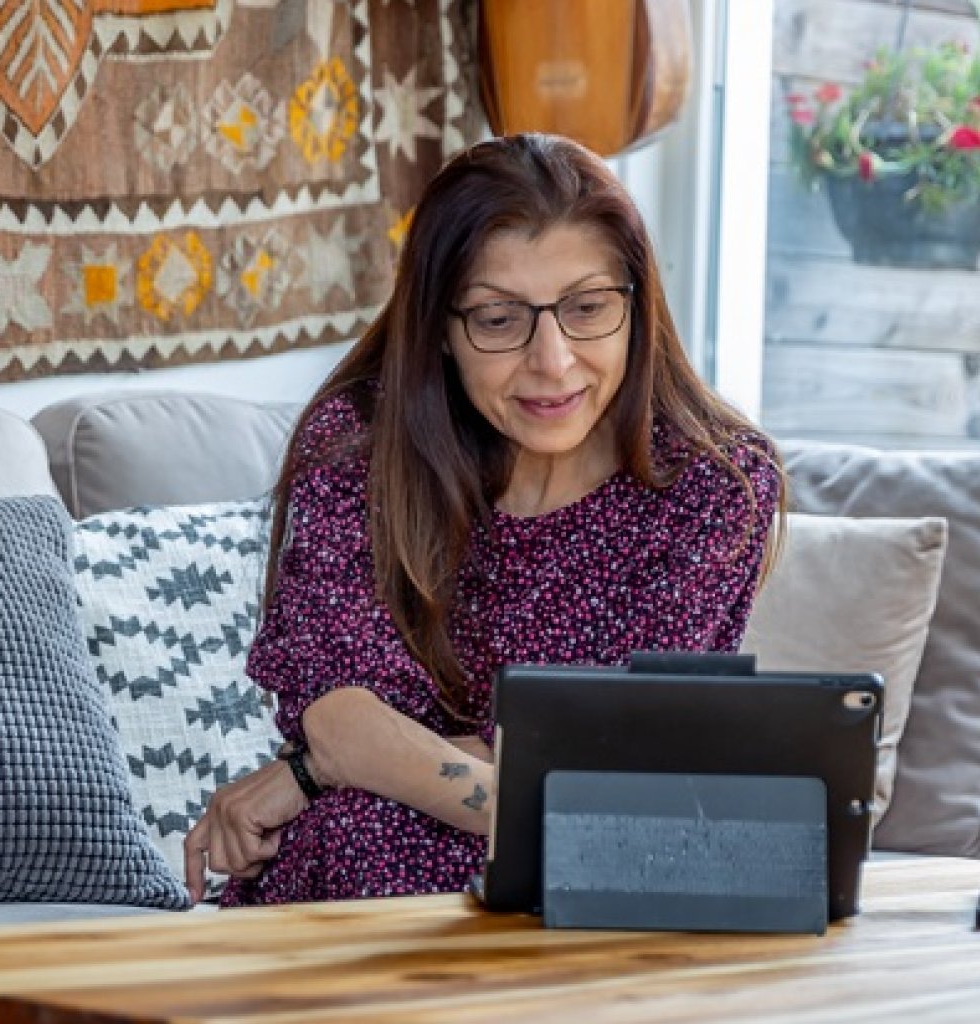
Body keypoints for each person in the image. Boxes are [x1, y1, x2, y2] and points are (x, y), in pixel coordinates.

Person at [184, 133, 784, 906]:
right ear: (438, 325)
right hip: (358, 887)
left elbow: (623, 753)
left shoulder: (716, 483)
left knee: (371, 814)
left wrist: (320, 772)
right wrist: (336, 760)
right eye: (499, 320)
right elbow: (344, 722)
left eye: (588, 308)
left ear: (638, 304)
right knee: (366, 825)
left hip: (589, 898)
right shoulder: (357, 449)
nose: (554, 361)